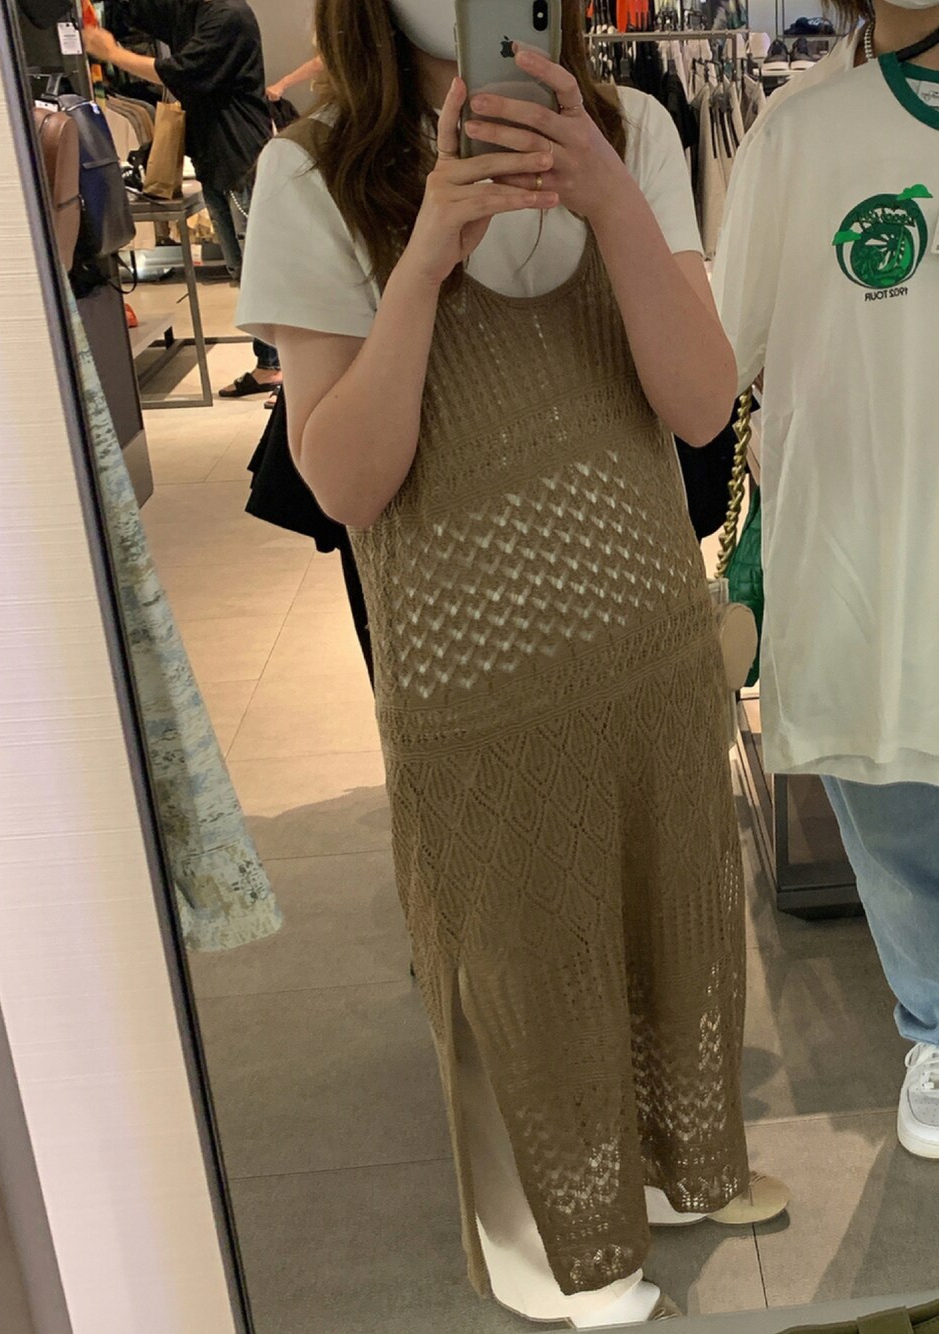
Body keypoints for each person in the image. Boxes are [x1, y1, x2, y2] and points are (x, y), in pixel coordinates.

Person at [239, 0, 790, 1325]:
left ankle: (665, 1166)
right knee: (515, 954)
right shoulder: (311, 173)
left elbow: (700, 404)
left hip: (646, 640)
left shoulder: (633, 128)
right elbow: (348, 482)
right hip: (470, 671)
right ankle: (548, 1235)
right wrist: (423, 258)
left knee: (669, 921)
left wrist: (610, 201)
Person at [713, 0, 939, 1161]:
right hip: (865, 547)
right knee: (890, 791)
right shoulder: (798, 134)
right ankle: (933, 1023)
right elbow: (718, 351)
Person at [84, 0, 282, 398]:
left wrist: (112, 54)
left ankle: (280, 366)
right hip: (218, 160)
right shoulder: (194, 11)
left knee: (262, 270)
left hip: (241, 157)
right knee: (245, 270)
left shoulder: (227, 15)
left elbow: (180, 72)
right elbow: (137, 13)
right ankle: (271, 364)